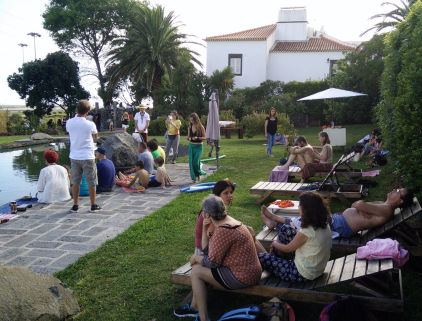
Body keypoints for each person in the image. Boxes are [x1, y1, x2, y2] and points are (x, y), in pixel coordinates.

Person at [173, 195, 262, 321]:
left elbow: (212, 263)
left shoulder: (223, 230)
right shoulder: (232, 223)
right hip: (251, 272)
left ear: (207, 214)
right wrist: (204, 228)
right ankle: (195, 307)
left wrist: (196, 258)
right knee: (198, 266)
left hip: (242, 277)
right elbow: (207, 251)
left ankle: (203, 317)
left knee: (197, 271)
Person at [261, 188, 414, 240]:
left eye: (399, 191)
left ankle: (274, 221)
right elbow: (360, 207)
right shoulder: (383, 205)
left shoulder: (386, 209)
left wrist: (360, 206)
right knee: (306, 218)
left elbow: (358, 204)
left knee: (306, 222)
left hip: (341, 226)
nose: (395, 190)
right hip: (340, 222)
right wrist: (361, 209)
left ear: (400, 201)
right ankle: (274, 222)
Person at [259, 192, 332, 282]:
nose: (298, 207)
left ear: (306, 210)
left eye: (300, 205)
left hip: (301, 274)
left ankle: (272, 262)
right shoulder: (324, 224)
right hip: (317, 270)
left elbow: (287, 249)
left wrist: (274, 243)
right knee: (286, 229)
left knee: (262, 257)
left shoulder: (307, 230)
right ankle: (277, 258)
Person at [194, 179, 266, 255]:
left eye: (231, 192)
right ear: (218, 195)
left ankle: (265, 256)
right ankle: (265, 258)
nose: (230, 195)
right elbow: (211, 240)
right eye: (226, 193)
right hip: (204, 250)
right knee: (246, 236)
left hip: (216, 244)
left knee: (248, 233)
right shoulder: (209, 212)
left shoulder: (218, 209)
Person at [66, 99, 101, 213]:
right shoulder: (90, 124)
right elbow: (95, 137)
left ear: (77, 109)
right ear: (88, 111)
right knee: (91, 181)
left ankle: (75, 205)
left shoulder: (69, 122)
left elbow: (70, 133)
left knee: (76, 181)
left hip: (74, 155)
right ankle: (93, 205)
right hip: (87, 156)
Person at [187, 112, 207, 183]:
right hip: (191, 146)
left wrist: (198, 137)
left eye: (193, 120)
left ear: (196, 120)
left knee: (196, 162)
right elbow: (188, 137)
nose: (191, 121)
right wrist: (189, 138)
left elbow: (205, 137)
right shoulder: (189, 127)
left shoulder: (201, 127)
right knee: (191, 163)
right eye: (190, 120)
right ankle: (194, 178)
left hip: (199, 146)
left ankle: (199, 173)